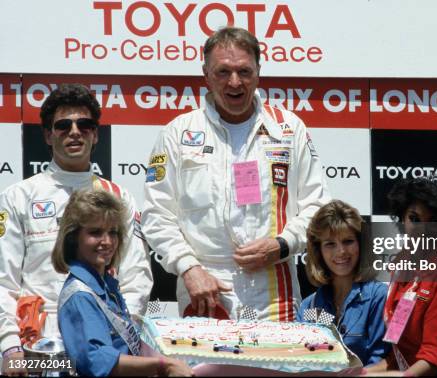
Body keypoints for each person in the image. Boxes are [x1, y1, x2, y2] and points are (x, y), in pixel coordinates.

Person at [141, 26, 330, 320]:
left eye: (244, 71)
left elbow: (317, 206)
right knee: (207, 368)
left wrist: (283, 245)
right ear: (205, 74)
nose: (234, 82)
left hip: (273, 288)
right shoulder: (178, 133)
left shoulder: (289, 129)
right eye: (223, 72)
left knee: (275, 366)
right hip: (205, 289)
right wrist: (188, 268)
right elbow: (156, 214)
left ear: (258, 72)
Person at [0, 84, 153, 375]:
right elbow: (3, 282)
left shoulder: (118, 197)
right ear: (48, 134)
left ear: (95, 134)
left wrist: (121, 333)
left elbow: (136, 277)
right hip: (40, 349)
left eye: (84, 124)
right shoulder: (19, 196)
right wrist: (10, 346)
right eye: (63, 125)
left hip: (103, 345)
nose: (74, 132)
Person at [52, 189, 192, 376]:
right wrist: (162, 365)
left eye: (113, 232)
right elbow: (96, 361)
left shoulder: (105, 284)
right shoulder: (80, 295)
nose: (107, 241)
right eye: (95, 232)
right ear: (73, 237)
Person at [367, 178, 437, 376]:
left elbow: (434, 359)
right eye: (414, 218)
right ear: (402, 219)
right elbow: (399, 355)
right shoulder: (400, 267)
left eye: (433, 222)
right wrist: (361, 372)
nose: (422, 229)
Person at [297, 200, 389, 366]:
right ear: (318, 250)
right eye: (330, 244)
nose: (341, 252)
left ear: (361, 244)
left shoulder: (378, 296)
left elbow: (383, 362)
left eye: (348, 241)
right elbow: (299, 361)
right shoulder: (308, 306)